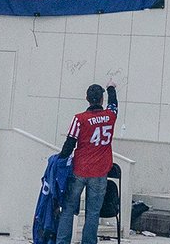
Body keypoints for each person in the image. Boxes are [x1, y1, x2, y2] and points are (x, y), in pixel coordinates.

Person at [54, 81, 119, 244]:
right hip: (100, 172)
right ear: (102, 100)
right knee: (93, 212)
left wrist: (59, 160)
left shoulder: (79, 119)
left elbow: (69, 144)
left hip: (79, 170)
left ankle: (62, 241)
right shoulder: (110, 117)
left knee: (68, 208)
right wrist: (111, 88)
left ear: (87, 99)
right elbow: (114, 104)